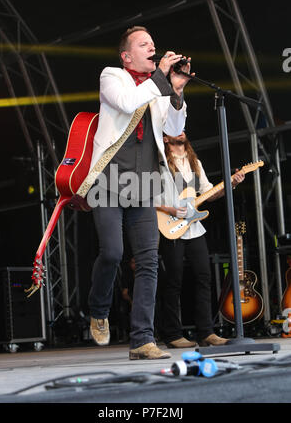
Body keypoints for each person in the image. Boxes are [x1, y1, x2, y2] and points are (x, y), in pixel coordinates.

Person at [86, 26, 191, 359]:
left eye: (154, 44)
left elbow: (174, 130)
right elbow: (127, 102)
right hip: (109, 180)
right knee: (113, 253)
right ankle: (98, 307)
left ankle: (142, 340)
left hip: (144, 184)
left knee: (148, 262)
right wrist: (161, 78)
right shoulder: (112, 77)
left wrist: (175, 92)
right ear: (126, 55)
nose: (153, 48)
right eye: (144, 44)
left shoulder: (157, 87)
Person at [157, 131, 245, 348]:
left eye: (182, 127)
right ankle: (172, 334)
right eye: (173, 129)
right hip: (170, 224)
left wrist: (231, 184)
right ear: (165, 138)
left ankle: (206, 332)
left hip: (194, 227)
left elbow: (208, 193)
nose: (181, 130)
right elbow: (148, 197)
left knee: (204, 276)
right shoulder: (159, 162)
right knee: (173, 281)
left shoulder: (195, 162)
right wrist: (169, 209)